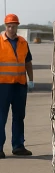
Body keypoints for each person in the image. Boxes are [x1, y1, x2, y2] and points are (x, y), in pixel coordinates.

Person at [0, 14, 34, 158]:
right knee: (1, 116)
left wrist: (31, 80)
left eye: (14, 25)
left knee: (19, 116)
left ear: (17, 26)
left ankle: (18, 146)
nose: (11, 28)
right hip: (3, 85)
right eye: (9, 25)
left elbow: (28, 63)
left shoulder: (23, 43)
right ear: (5, 26)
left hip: (20, 84)